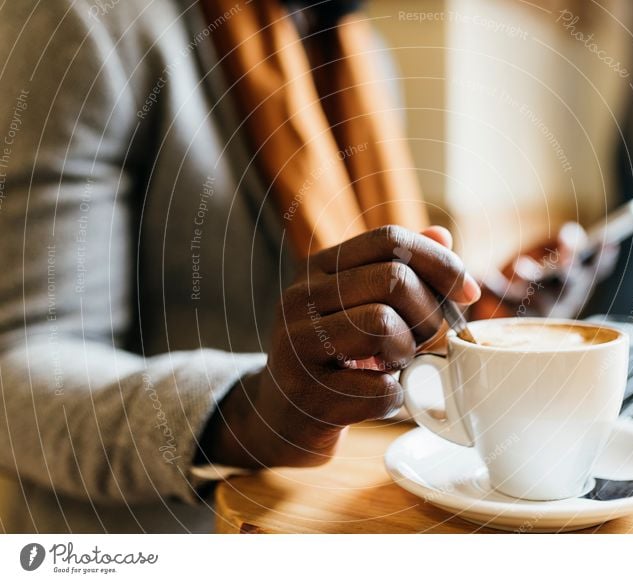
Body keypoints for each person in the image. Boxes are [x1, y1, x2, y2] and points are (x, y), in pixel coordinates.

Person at [0, 0, 597, 533]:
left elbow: (358, 312)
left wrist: (473, 323)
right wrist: (257, 410)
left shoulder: (356, 52)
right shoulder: (83, 19)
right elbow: (20, 376)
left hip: (341, 517)